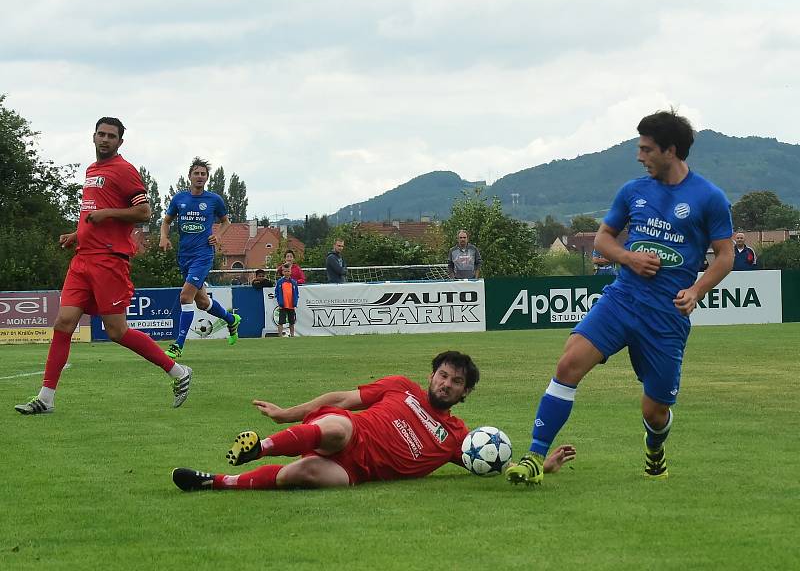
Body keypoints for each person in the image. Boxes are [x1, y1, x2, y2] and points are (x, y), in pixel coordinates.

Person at [506, 110, 734, 485]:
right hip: (622, 299)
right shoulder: (633, 191)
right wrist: (629, 257)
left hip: (665, 316)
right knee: (568, 365)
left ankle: (655, 447)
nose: (639, 156)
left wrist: (696, 290)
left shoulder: (709, 197)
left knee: (655, 410)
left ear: (670, 150)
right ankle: (534, 457)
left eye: (646, 149)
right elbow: (602, 240)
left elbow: (725, 256)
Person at [171, 351, 576, 492]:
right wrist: (285, 413)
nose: (447, 384)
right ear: (432, 375)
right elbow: (340, 399)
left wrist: (544, 463)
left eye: (456, 382)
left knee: (302, 474)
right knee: (339, 425)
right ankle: (261, 446)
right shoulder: (400, 387)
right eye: (443, 375)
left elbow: (490, 463)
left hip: (356, 473)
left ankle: (214, 482)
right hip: (346, 433)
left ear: (464, 393)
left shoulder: (457, 437)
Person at [14, 117, 193, 415]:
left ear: (120, 142)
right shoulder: (91, 170)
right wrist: (77, 233)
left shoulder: (124, 170)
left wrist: (108, 214)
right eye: (101, 134)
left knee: (116, 331)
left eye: (111, 135)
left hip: (109, 260)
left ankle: (178, 372)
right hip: (83, 258)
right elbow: (91, 212)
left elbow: (144, 211)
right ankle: (46, 398)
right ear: (93, 137)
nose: (105, 139)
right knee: (63, 324)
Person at [159, 157, 241, 359]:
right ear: (189, 176)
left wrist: (218, 235)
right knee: (202, 302)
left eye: (203, 174)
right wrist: (163, 237)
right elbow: (166, 221)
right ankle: (231, 320)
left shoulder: (214, 200)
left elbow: (225, 221)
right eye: (196, 173)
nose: (199, 176)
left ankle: (178, 345)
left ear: (207, 178)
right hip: (184, 255)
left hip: (203, 255)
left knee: (185, 297)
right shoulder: (179, 199)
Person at [275, 263, 299, 337]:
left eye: (288, 271)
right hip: (283, 305)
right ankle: (280, 335)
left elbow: (296, 293)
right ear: (282, 272)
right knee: (281, 321)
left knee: (292, 322)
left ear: (290, 272)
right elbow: (277, 293)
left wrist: (295, 303)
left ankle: (292, 335)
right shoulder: (280, 282)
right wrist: (279, 303)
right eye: (285, 271)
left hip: (291, 305)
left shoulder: (294, 283)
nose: (287, 273)